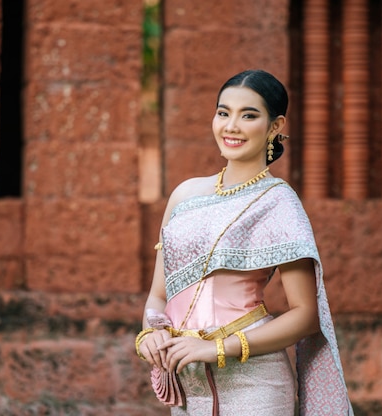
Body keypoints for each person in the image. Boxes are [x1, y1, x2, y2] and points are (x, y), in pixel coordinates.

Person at [135, 69, 353, 415]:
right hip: (188, 382)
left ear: (275, 126)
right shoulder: (185, 195)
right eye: (224, 112)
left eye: (248, 115)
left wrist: (219, 348)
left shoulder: (279, 203)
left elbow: (306, 316)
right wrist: (150, 335)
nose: (231, 126)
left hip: (255, 382)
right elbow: (159, 295)